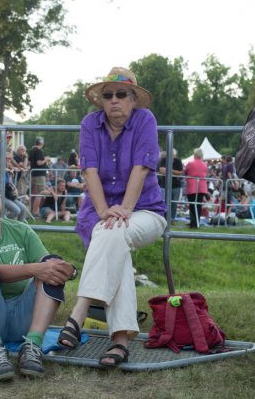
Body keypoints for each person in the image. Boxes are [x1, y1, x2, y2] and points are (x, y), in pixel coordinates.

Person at [57, 67, 166, 367]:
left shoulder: (145, 120)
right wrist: (106, 211)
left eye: (121, 94)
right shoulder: (90, 124)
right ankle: (120, 341)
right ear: (101, 100)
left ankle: (79, 313)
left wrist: (126, 210)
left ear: (133, 99)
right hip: (100, 211)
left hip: (145, 210)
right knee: (113, 236)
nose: (114, 100)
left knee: (112, 232)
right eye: (108, 95)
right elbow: (89, 171)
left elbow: (141, 169)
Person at [0, 178, 75, 380]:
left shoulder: (21, 229)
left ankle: (33, 346)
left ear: (0, 199)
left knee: (51, 264)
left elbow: (46, 265)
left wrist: (64, 269)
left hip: (21, 318)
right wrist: (35, 268)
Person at [184, 148, 208, 228]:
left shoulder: (190, 163)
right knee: (198, 205)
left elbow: (185, 172)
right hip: (201, 187)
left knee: (192, 205)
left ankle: (193, 223)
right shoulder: (204, 164)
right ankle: (196, 222)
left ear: (194, 154)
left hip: (192, 187)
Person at [158, 148, 183, 222]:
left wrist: (169, 170)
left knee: (174, 203)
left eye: (173, 154)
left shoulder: (178, 161)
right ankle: (164, 218)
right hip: (165, 185)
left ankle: (172, 218)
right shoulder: (163, 160)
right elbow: (162, 171)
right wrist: (173, 172)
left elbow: (180, 172)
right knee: (164, 202)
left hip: (176, 186)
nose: (172, 155)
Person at [29, 137, 51, 216]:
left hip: (34, 174)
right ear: (42, 143)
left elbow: (30, 162)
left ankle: (33, 210)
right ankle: (35, 212)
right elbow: (39, 163)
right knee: (40, 193)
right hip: (39, 175)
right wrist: (46, 159)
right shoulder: (38, 151)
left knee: (35, 193)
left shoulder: (32, 151)